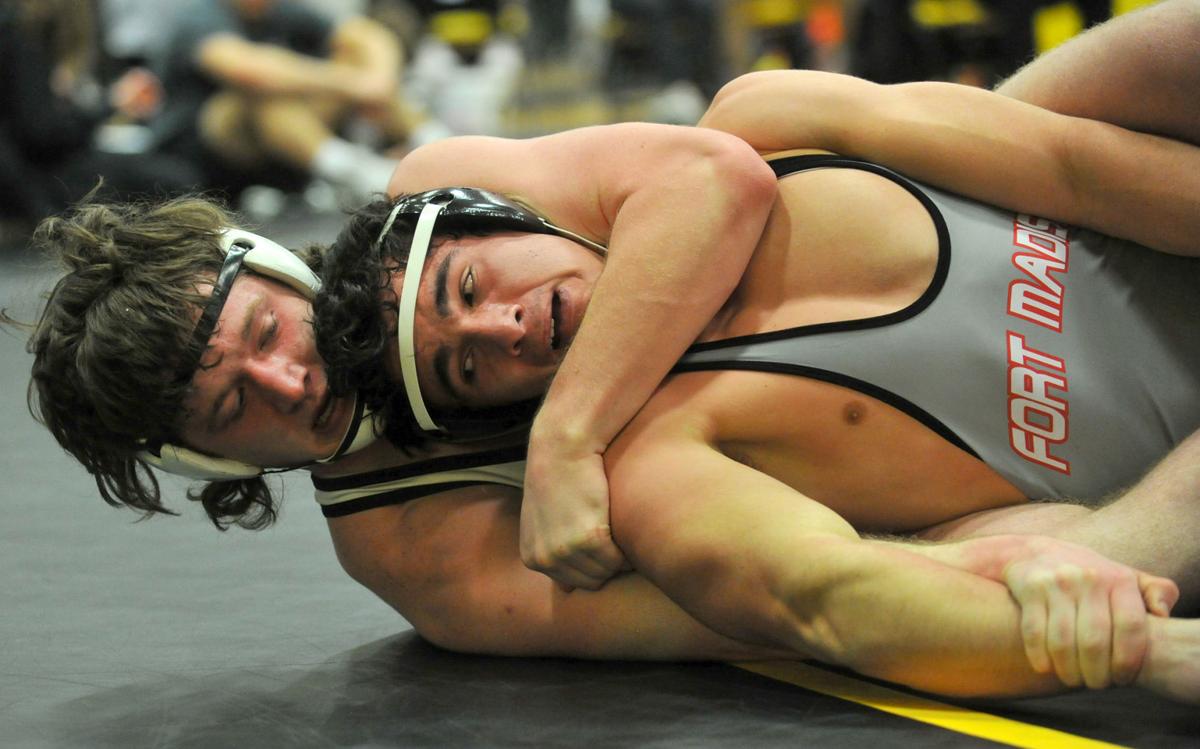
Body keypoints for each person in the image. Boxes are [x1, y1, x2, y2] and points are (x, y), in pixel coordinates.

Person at [22, 2, 1200, 702]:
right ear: (204, 465)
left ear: (276, 270)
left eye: (266, 338)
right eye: (235, 407)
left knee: (782, 111)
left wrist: (568, 433)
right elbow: (775, 602)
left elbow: (711, 174)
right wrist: (1050, 585)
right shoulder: (427, 544)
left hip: (914, 251)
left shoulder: (441, 207)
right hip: (922, 462)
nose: (290, 382)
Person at [145, 0, 426, 199]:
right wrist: (352, 84)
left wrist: (379, 81)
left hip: (282, 149)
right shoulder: (200, 17)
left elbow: (369, 36)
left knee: (355, 59)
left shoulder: (279, 9)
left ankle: (431, 141)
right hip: (207, 152)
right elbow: (247, 69)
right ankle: (352, 171)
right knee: (264, 91)